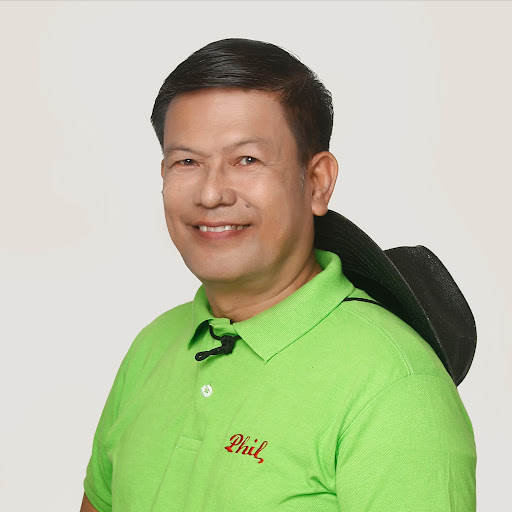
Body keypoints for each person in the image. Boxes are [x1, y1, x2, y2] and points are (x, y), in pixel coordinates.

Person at [80, 38, 476, 512]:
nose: (211, 194)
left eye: (246, 160)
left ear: (318, 182)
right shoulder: (152, 346)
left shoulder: (396, 386)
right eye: (187, 161)